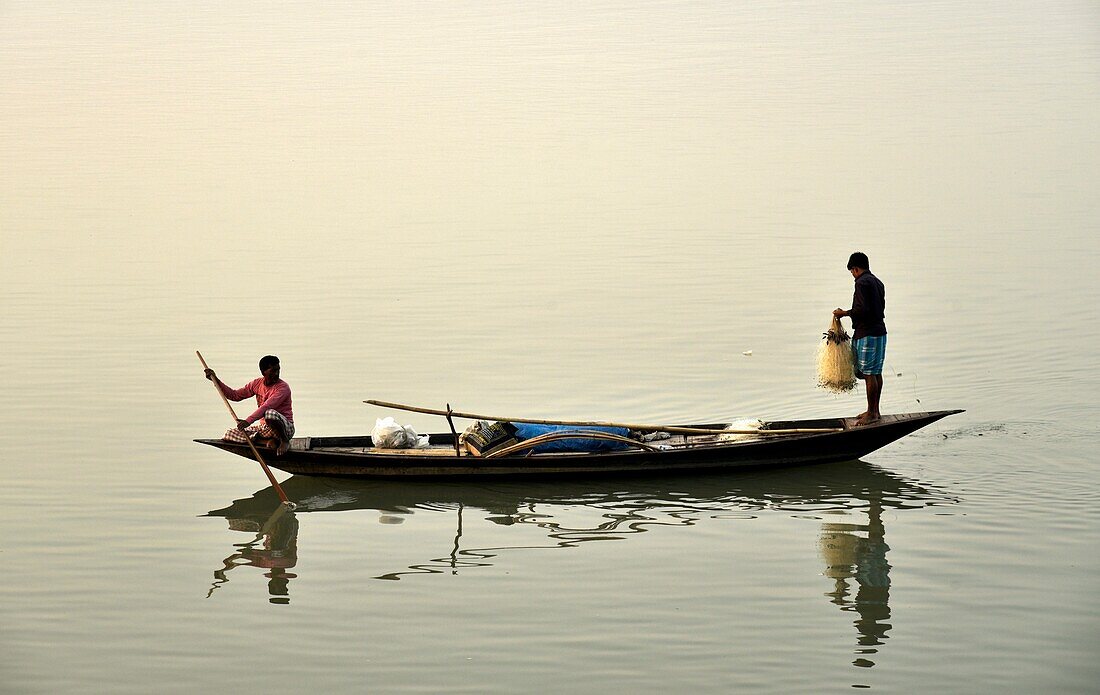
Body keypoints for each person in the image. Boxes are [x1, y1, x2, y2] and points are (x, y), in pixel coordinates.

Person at [833, 252, 886, 426]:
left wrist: (844, 313)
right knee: (876, 371)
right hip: (880, 332)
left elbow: (862, 310)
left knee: (869, 373)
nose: (853, 276)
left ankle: (871, 413)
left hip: (868, 333)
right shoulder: (878, 282)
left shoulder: (862, 283)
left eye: (852, 272)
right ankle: (875, 411)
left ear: (855, 269)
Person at [205, 355, 295, 455]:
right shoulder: (256, 384)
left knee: (269, 413)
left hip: (285, 429)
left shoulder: (283, 388)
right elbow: (234, 395)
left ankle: (284, 441)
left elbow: (266, 407)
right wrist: (216, 380)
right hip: (266, 429)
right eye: (273, 371)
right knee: (229, 434)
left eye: (278, 370)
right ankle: (267, 442)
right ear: (263, 372)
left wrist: (247, 421)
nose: (276, 374)